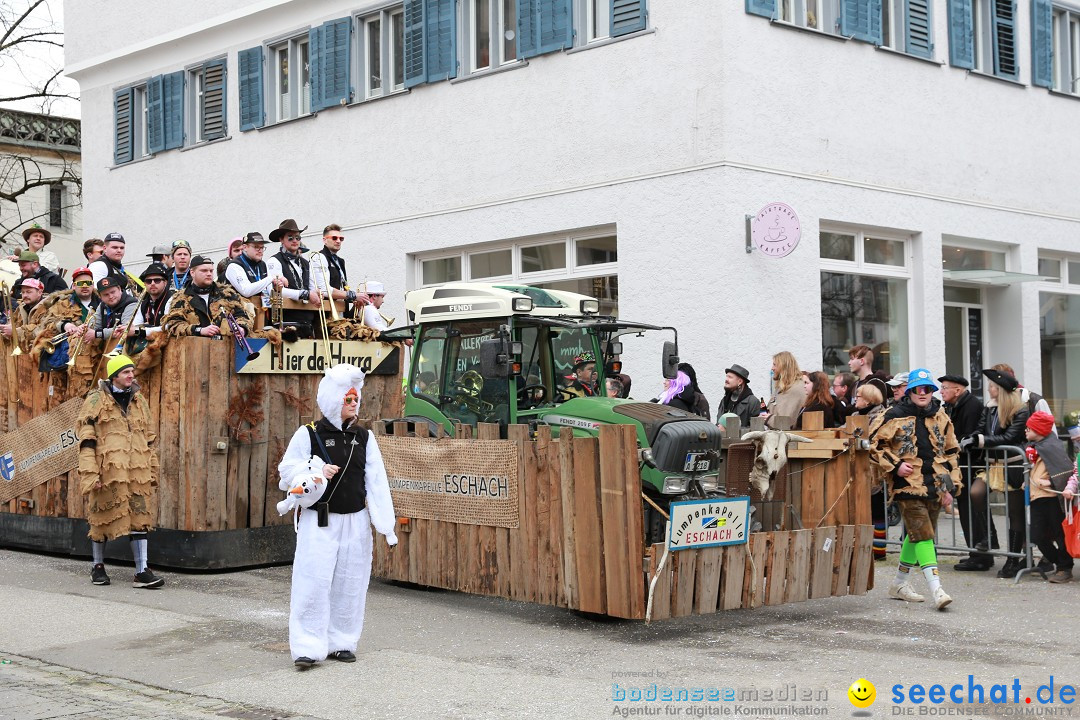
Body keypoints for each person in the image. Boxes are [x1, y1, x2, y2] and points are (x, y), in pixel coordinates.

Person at [278, 363, 397, 668]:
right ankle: (307, 646)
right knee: (313, 581)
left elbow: (377, 480)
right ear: (334, 400)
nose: (354, 404)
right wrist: (315, 471)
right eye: (348, 399)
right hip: (320, 519)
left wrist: (385, 524)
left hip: (355, 520)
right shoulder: (309, 434)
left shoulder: (365, 437)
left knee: (351, 581)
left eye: (356, 399)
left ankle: (342, 641)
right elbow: (288, 471)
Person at [868, 368, 962, 611]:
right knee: (924, 533)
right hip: (907, 485)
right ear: (909, 391)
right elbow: (874, 445)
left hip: (936, 484)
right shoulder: (893, 415)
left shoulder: (940, 416)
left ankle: (899, 583)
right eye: (918, 389)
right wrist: (896, 465)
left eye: (927, 389)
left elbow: (951, 451)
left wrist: (952, 484)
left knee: (916, 533)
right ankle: (937, 589)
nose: (923, 393)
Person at [77, 354, 163, 588]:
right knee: (100, 516)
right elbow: (87, 440)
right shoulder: (95, 400)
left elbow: (149, 438)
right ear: (114, 375)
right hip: (108, 471)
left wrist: (151, 468)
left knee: (140, 517)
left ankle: (142, 571)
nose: (131, 375)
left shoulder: (139, 400)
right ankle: (97, 567)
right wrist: (90, 473)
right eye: (126, 372)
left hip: (137, 470)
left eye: (132, 371)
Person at [963, 368, 1030, 579]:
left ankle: (1013, 560)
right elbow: (981, 429)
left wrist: (980, 441)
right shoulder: (989, 408)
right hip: (992, 464)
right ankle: (989, 538)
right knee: (976, 493)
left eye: (992, 386)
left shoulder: (1020, 410)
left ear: (1001, 390)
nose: (989, 388)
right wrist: (970, 439)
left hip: (1013, 465)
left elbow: (1011, 437)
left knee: (1015, 514)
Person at [939, 374, 994, 572]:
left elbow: (966, 437)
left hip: (970, 465)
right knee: (966, 509)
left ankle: (981, 556)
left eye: (945, 387)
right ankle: (976, 553)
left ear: (957, 390)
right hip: (962, 466)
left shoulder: (970, 406)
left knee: (971, 509)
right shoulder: (954, 406)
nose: (941, 391)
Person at [1024, 411, 1075, 584]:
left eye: (1029, 428)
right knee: (1037, 536)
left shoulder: (1052, 446)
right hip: (1036, 497)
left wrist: (1051, 484)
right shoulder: (1034, 447)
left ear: (1038, 430)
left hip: (1052, 498)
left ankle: (1064, 568)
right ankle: (1057, 561)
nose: (1025, 430)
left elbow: (1065, 471)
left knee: (1059, 534)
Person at [162, 255, 254, 338]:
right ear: (192, 273)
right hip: (194, 351)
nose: (209, 274)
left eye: (211, 270)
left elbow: (243, 317)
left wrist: (242, 328)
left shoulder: (227, 294)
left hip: (226, 350)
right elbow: (173, 324)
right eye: (204, 271)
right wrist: (200, 330)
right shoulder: (180, 298)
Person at [30, 266, 99, 370]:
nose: (85, 286)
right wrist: (64, 325)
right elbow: (47, 322)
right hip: (72, 353)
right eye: (80, 284)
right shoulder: (62, 303)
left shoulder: (103, 301)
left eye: (88, 283)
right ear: (74, 286)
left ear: (93, 285)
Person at [852, 382, 888, 560]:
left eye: (858, 397)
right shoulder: (855, 416)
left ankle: (879, 550)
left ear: (867, 400)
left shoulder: (881, 417)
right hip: (857, 470)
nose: (855, 400)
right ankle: (863, 547)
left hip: (876, 471)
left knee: (877, 510)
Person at [307, 222, 369, 319]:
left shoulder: (340, 261)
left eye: (341, 239)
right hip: (325, 313)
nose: (338, 241)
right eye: (334, 238)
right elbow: (324, 289)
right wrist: (352, 295)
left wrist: (355, 302)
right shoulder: (318, 257)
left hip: (340, 312)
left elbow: (342, 287)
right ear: (325, 240)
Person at [266, 227, 321, 336]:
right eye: (290, 238)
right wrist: (305, 294)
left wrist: (317, 293)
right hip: (286, 324)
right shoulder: (274, 261)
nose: (295, 240)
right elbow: (273, 291)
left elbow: (311, 288)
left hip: (307, 323)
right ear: (281, 239)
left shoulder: (306, 263)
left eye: (297, 237)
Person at [225, 232, 288, 308]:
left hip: (262, 314)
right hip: (240, 315)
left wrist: (276, 288)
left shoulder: (262, 264)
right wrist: (271, 278)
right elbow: (246, 291)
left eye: (262, 247)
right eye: (256, 247)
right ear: (245, 247)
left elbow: (268, 293)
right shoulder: (234, 265)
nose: (260, 250)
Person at [130, 263, 174, 345]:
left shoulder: (172, 299)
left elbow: (168, 327)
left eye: (157, 280)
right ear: (145, 284)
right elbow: (136, 325)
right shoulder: (142, 303)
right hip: (149, 348)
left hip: (170, 346)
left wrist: (142, 330)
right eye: (148, 281)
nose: (152, 283)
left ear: (165, 282)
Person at [765, 351, 807, 430]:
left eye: (775, 365)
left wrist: (769, 418)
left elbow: (788, 422)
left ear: (783, 366)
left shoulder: (796, 389)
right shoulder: (782, 388)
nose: (772, 368)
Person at [91, 277, 138, 345]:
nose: (110, 296)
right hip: (106, 345)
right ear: (100, 296)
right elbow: (93, 327)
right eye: (106, 294)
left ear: (119, 289)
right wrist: (84, 329)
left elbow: (124, 330)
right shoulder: (102, 305)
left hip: (126, 346)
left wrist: (97, 334)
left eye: (113, 292)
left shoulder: (131, 303)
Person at [1, 277, 43, 352]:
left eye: (29, 292)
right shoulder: (21, 307)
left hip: (38, 353)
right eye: (23, 292)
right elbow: (14, 323)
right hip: (22, 352)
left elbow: (41, 329)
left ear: (39, 292)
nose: (25, 295)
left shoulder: (47, 307)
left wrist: (15, 331)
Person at [718, 364, 761, 428]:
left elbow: (756, 429)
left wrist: (731, 430)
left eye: (730, 377)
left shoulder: (753, 402)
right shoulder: (724, 400)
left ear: (740, 381)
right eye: (726, 376)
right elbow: (719, 423)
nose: (726, 379)